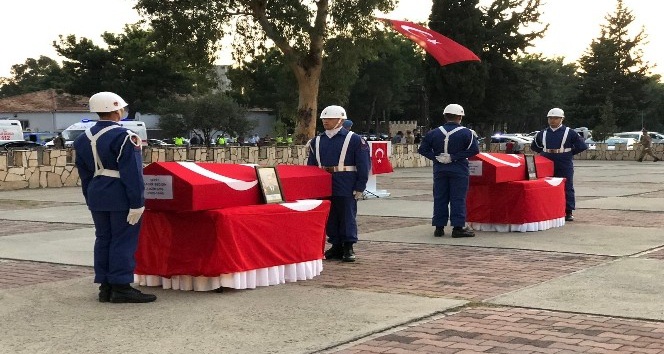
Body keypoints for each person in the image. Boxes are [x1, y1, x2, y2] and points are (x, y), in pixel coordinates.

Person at [73, 91, 156, 304]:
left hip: (97, 193)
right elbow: (132, 173)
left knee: (103, 239)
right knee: (123, 240)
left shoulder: (83, 139)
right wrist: (137, 202)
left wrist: (89, 197)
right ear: (117, 110)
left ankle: (105, 286)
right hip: (119, 194)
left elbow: (84, 173)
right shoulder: (125, 137)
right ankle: (120, 286)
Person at [307, 105, 370, 262]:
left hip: (345, 182)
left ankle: (348, 246)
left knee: (347, 214)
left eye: (329, 118)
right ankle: (336, 244)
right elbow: (311, 165)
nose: (325, 121)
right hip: (323, 183)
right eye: (324, 119)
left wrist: (360, 186)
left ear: (340, 120)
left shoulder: (354, 139)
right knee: (330, 216)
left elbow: (363, 164)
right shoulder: (316, 141)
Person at [418, 104, 480, 238]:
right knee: (458, 198)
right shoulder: (467, 132)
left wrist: (436, 158)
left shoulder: (433, 132)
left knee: (440, 197)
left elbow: (422, 149)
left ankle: (439, 227)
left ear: (445, 116)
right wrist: (453, 157)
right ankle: (458, 227)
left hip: (440, 169)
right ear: (460, 117)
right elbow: (474, 150)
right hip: (458, 168)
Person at [530, 108, 588, 222]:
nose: (553, 120)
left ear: (562, 119)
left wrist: (568, 153)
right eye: (550, 118)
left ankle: (568, 211)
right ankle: (548, 210)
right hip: (546, 159)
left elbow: (581, 146)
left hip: (564, 161)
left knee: (567, 185)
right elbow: (535, 146)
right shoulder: (542, 133)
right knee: (546, 184)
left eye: (556, 118)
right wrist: (544, 152)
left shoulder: (570, 132)